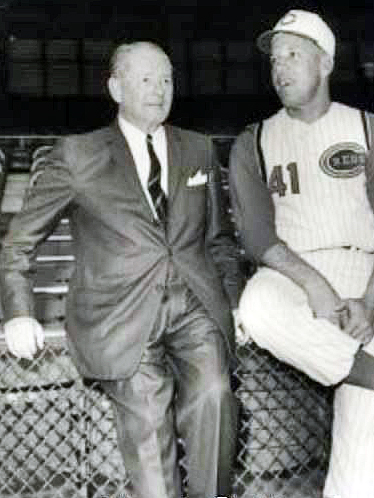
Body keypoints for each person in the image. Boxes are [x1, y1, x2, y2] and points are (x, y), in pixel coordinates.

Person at [228, 9, 374, 498]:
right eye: (275, 59)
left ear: (326, 62)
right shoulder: (252, 140)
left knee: (361, 426)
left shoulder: (368, 128)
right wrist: (314, 285)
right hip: (290, 270)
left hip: (362, 269)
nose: (281, 67)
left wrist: (373, 300)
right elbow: (256, 237)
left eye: (294, 54)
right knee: (256, 308)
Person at [0, 41, 239, 498]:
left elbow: (220, 242)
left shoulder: (200, 149)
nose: (159, 89)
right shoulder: (77, 155)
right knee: (150, 442)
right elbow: (18, 243)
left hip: (194, 309)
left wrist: (234, 302)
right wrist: (18, 311)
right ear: (115, 87)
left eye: (167, 79)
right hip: (122, 318)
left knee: (216, 396)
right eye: (146, 79)